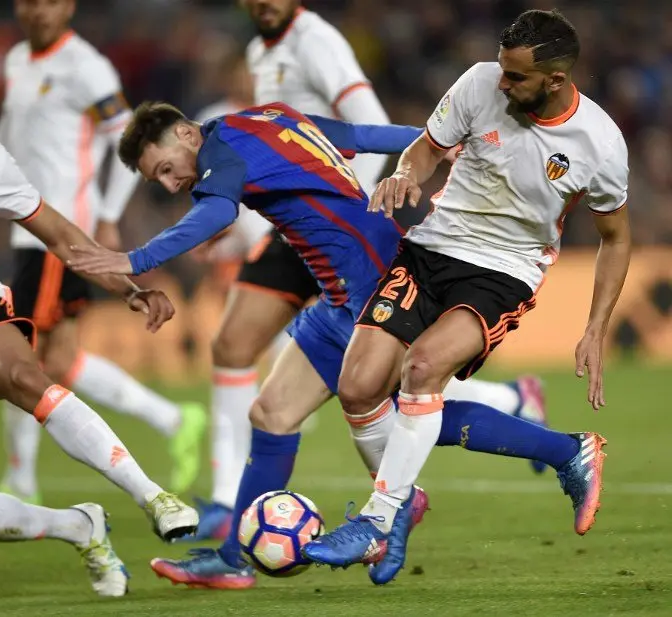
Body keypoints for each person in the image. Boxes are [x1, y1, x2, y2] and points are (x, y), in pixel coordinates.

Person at [68, 101, 600, 590]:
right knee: (272, 412)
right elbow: (356, 134)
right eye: (157, 179)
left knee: (407, 412)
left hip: (372, 281)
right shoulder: (265, 119)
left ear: (186, 133)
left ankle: (562, 452)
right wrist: (432, 140)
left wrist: (134, 261)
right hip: (338, 292)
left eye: (164, 168)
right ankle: (235, 558)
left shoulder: (220, 152)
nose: (168, 183)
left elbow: (218, 214)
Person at [196, 0, 549, 542]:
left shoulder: (316, 40)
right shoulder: (258, 49)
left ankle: (400, 498)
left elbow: (364, 121)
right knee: (245, 359)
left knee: (389, 386)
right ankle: (233, 515)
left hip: (336, 223)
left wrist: (337, 198)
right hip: (294, 225)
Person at [303, 9, 630, 586]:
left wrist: (596, 326)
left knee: (422, 370)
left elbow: (616, 237)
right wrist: (406, 175)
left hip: (504, 269)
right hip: (432, 248)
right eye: (503, 70)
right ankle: (561, 452)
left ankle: (379, 519)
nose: (502, 83)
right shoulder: (480, 81)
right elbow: (427, 149)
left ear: (555, 80)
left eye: (517, 77)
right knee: (356, 389)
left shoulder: (599, 145)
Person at [0, 44, 199, 598]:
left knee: (24, 376)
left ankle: (151, 494)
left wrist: (130, 286)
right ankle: (77, 525)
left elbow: (62, 236)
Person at [0, 0, 206, 505]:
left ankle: (20, 480)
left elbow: (126, 138)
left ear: (67, 6)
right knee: (59, 360)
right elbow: (8, 134)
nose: (37, 11)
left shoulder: (86, 65)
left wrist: (108, 217)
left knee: (21, 354)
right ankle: (174, 418)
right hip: (28, 230)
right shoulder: (18, 60)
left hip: (59, 230)